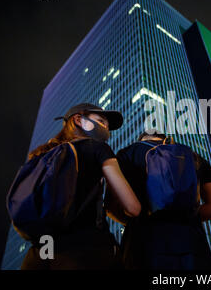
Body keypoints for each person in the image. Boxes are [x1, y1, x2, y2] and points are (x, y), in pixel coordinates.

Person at [20, 103, 141, 270]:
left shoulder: (42, 154)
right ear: (78, 119)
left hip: (39, 255)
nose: (106, 128)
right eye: (101, 121)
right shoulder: (97, 148)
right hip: (86, 253)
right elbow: (132, 207)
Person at [109, 130, 211, 270]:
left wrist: (138, 218)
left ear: (141, 138)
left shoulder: (128, 153)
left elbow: (111, 206)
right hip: (192, 245)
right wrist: (185, 215)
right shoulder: (195, 157)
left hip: (144, 245)